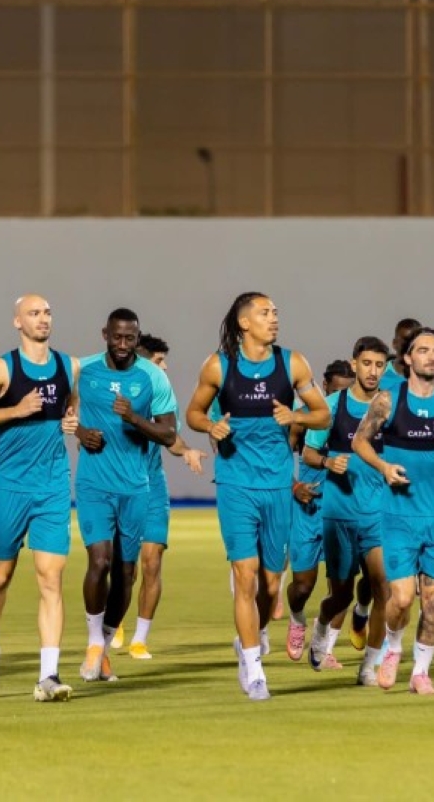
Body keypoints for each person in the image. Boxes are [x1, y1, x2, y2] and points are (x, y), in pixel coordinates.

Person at [186, 292, 331, 701]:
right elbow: (194, 413)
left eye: (276, 313)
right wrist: (210, 427)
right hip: (236, 484)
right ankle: (254, 670)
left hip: (277, 487)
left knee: (269, 585)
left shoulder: (293, 363)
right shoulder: (218, 365)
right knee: (244, 575)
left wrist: (296, 416)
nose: (274, 318)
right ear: (244, 322)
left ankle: (253, 635)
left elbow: (323, 414)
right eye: (265, 313)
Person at [0, 294, 80, 703]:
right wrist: (15, 411)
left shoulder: (69, 366)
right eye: (34, 313)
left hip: (52, 486)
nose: (43, 319)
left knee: (51, 578)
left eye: (47, 312)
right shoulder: (2, 368)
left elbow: (71, 404)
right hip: (9, 485)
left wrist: (70, 420)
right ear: (17, 321)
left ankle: (49, 675)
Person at [351, 328, 434, 695]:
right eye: (423, 350)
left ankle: (421, 673)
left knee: (433, 600)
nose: (431, 356)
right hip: (398, 517)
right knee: (401, 599)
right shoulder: (389, 400)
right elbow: (360, 441)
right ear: (408, 358)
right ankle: (393, 646)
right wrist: (383, 467)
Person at [73, 309, 178, 682]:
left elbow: (169, 434)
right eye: (116, 337)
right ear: (104, 334)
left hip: (135, 488)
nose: (122, 344)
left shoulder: (153, 377)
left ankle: (103, 646)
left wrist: (134, 418)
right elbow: (59, 412)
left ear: (137, 338)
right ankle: (93, 645)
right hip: (93, 484)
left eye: (129, 338)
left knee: (126, 573)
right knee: (100, 561)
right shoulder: (82, 370)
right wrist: (80, 432)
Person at [304, 338, 393, 685]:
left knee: (383, 588)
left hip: (378, 514)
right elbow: (309, 453)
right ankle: (321, 626)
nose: (373, 371)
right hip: (339, 513)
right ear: (354, 364)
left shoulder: (391, 407)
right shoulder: (333, 406)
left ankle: (368, 667)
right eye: (367, 363)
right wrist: (328, 462)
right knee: (340, 594)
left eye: (379, 365)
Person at [125, 333, 207, 659]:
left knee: (152, 560)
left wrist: (186, 451)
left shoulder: (161, 396)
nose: (165, 367)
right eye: (159, 361)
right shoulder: (118, 392)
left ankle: (140, 639)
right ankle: (113, 623)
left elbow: (171, 438)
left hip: (153, 488)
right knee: (124, 569)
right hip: (120, 487)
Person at [285, 358, 355, 668]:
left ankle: (324, 647)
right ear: (324, 387)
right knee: (302, 586)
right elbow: (279, 458)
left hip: (344, 508)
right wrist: (294, 486)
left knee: (341, 588)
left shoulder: (359, 417)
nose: (341, 396)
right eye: (336, 390)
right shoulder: (304, 419)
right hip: (308, 506)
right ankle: (297, 617)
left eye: (347, 390)